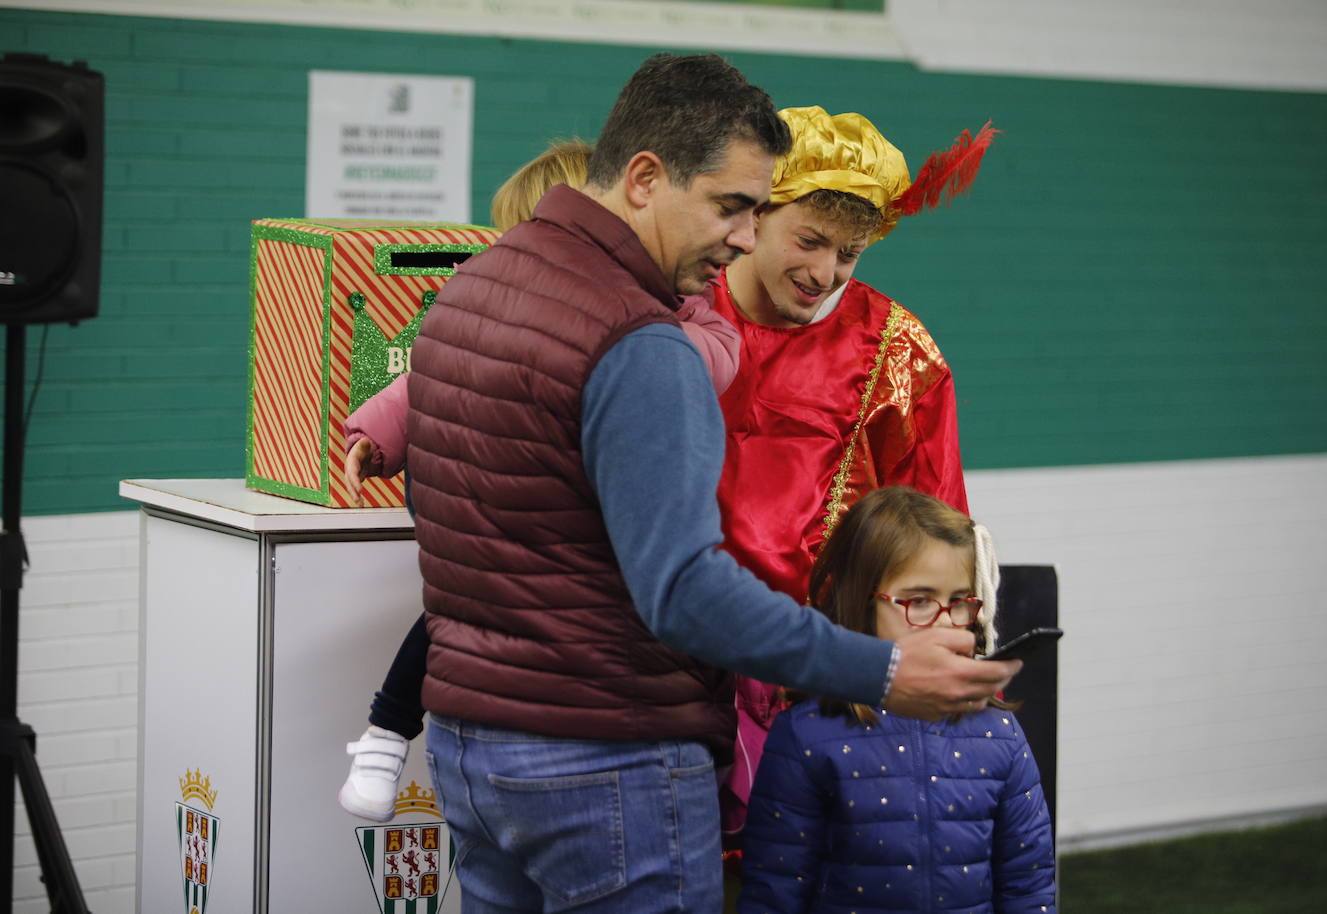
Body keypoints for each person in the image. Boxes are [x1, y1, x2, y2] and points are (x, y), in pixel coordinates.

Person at [406, 53, 1021, 912]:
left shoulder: (475, 293)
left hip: (482, 744)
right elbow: (684, 591)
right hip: (615, 742)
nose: (742, 235)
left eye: (847, 252)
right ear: (649, 179)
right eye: (739, 210)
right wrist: (881, 671)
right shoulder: (652, 334)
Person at [336, 138, 743, 822]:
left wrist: (632, 333)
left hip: (571, 519)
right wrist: (377, 436)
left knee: (482, 610)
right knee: (465, 604)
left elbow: (715, 356)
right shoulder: (502, 315)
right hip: (500, 505)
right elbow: (430, 371)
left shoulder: (671, 315)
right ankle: (384, 730)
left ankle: (386, 731)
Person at [705, 106, 1000, 839]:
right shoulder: (678, 315)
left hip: (831, 696)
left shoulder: (899, 354)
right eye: (808, 240)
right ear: (754, 216)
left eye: (850, 253)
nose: (824, 272)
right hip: (678, 680)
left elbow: (936, 539)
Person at [737, 487, 1058, 913]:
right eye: (919, 600)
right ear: (862, 601)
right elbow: (775, 891)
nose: (946, 621)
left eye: (960, 601)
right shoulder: (805, 735)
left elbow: (1028, 884)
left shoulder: (999, 732)